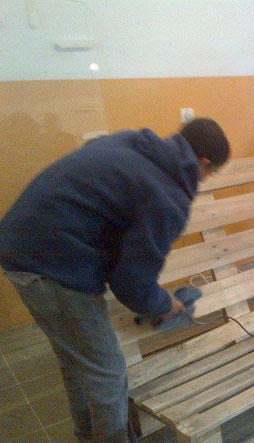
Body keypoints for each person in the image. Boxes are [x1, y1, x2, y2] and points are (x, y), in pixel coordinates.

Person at [0, 118, 230, 442]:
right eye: (211, 173)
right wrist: (165, 304)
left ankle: (87, 435)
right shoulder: (167, 196)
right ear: (204, 163)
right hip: (51, 265)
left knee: (78, 361)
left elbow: (102, 208)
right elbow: (131, 285)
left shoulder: (132, 143)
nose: (204, 180)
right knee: (108, 373)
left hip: (19, 246)